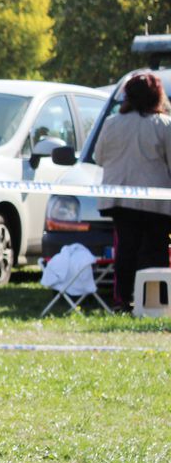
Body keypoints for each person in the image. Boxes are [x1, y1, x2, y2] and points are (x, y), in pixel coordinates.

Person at [94, 72, 171, 310]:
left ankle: (122, 300)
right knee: (155, 251)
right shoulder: (164, 125)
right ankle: (155, 303)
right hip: (156, 203)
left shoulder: (111, 123)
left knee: (125, 250)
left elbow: (99, 157)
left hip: (120, 200)